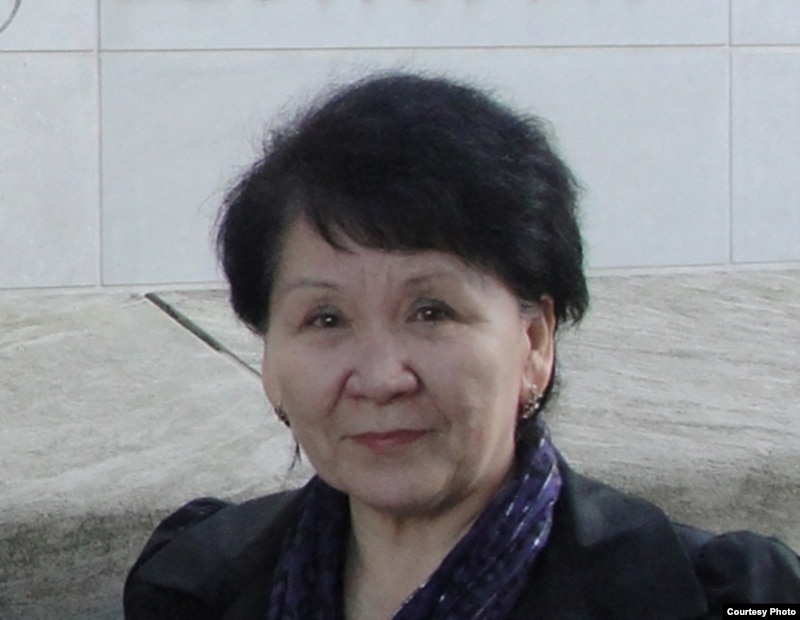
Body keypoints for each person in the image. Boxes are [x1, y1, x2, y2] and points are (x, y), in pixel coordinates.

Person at [124, 72, 800, 619]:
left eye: (432, 312)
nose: (382, 377)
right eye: (326, 319)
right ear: (270, 364)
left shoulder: (714, 599)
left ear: (534, 342)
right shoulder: (200, 586)